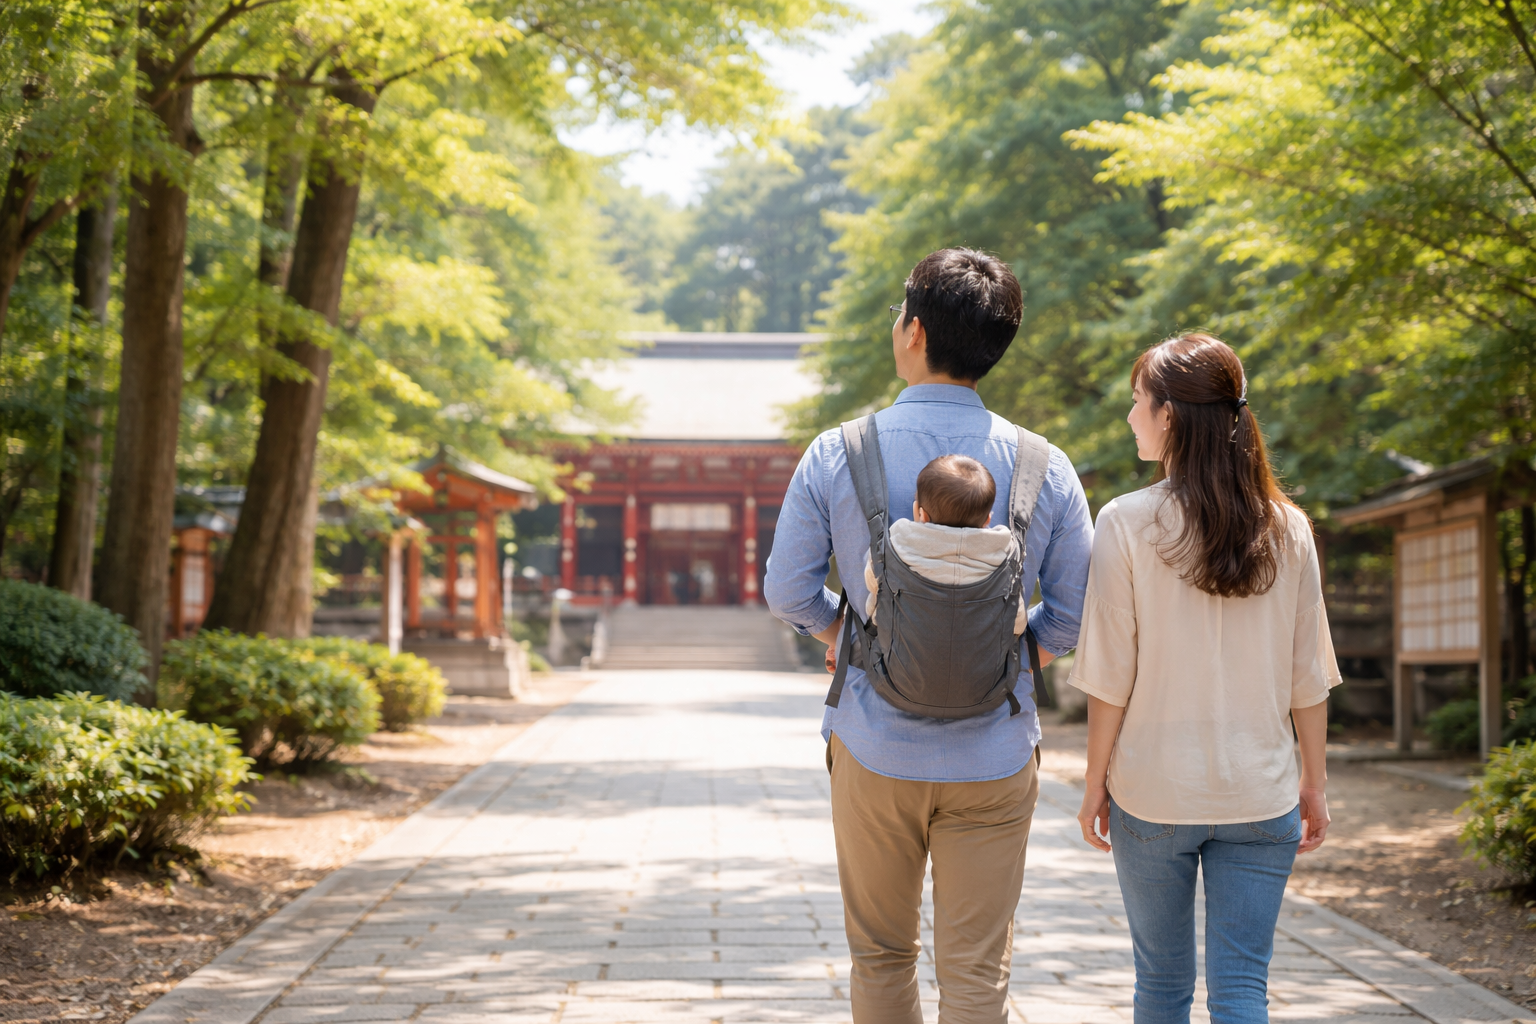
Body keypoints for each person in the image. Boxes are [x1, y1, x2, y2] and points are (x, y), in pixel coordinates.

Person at [764, 248, 1093, 1024]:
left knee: (881, 955)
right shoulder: (1045, 465)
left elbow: (788, 590)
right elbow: (1075, 615)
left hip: (874, 743)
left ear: (912, 330)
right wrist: (1010, 658)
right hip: (996, 750)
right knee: (978, 969)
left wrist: (850, 637)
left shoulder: (838, 453)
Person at [1069, 333, 1340, 1024]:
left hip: (1154, 792)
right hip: (1261, 791)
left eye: (1137, 401)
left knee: (1160, 987)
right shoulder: (1288, 528)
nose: (1130, 416)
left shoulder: (1125, 522)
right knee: (1243, 990)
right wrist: (1314, 783)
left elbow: (1110, 677)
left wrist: (1095, 781)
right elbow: (1307, 676)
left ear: (1169, 415)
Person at [859, 455, 1029, 635]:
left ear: (922, 514)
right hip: (982, 658)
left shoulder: (897, 542)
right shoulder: (1005, 551)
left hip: (902, 650)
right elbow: (1016, 623)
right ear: (987, 520)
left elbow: (873, 581)